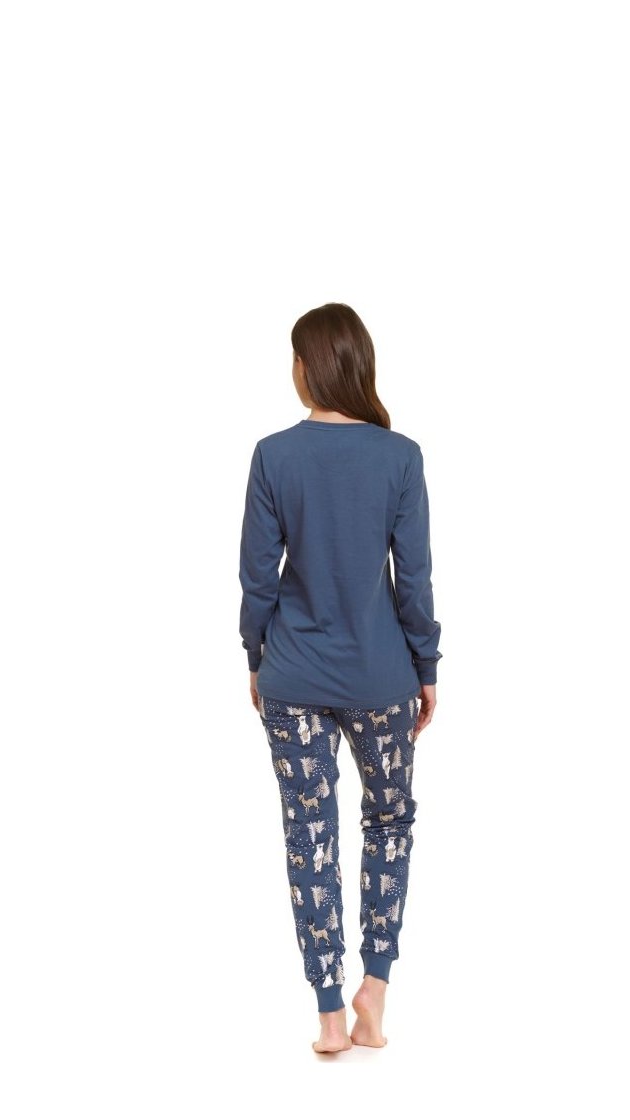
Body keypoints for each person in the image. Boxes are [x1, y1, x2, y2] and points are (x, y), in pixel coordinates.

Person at [238, 303, 443, 1055]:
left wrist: (255, 655)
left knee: (310, 834)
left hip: (293, 677)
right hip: (382, 678)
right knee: (388, 822)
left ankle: (329, 1012)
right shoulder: (400, 458)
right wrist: (426, 665)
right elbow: (413, 580)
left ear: (309, 367)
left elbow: (257, 577)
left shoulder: (273, 456)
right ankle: (373, 990)